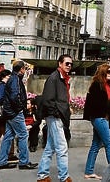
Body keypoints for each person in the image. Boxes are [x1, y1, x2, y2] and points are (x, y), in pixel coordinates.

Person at [82, 64, 110, 181]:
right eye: (108, 71)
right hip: (99, 118)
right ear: (102, 72)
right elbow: (95, 104)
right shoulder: (97, 85)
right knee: (109, 144)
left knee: (95, 145)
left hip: (102, 118)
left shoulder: (107, 84)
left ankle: (88, 171)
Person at [36, 54, 72, 182]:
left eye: (70, 64)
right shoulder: (54, 78)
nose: (69, 66)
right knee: (62, 148)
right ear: (60, 64)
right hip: (55, 117)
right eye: (66, 63)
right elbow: (48, 100)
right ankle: (64, 177)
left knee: (50, 148)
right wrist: (57, 113)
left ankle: (42, 175)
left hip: (59, 116)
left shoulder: (63, 78)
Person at [0, 59, 38, 170]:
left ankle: (2, 161)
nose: (25, 70)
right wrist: (20, 108)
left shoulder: (13, 79)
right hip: (14, 113)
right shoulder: (15, 80)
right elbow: (15, 96)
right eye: (24, 68)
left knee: (8, 136)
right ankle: (24, 162)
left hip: (9, 112)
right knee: (23, 134)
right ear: (22, 69)